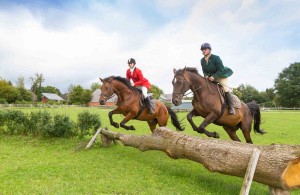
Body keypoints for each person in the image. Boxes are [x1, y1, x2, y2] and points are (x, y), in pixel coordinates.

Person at [200, 43, 236, 114]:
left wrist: (214, 77)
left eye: (205, 49)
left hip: (221, 76)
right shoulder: (202, 60)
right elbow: (204, 71)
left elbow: (221, 69)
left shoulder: (216, 58)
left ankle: (231, 107)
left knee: (226, 90)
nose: (203, 51)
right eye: (202, 49)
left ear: (209, 50)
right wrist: (206, 75)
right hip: (210, 78)